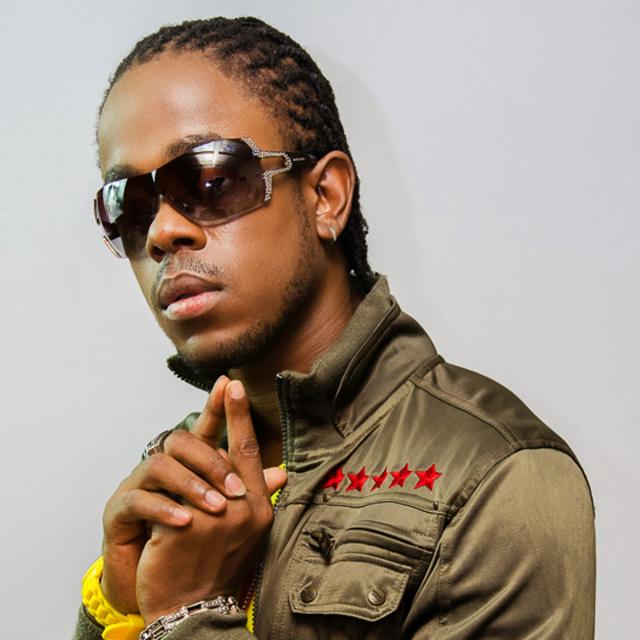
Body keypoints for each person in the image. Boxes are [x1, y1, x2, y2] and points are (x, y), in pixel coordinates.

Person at [74, 16, 596, 640]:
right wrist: (119, 604)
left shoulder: (499, 477)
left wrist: (187, 613)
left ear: (325, 196)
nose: (162, 233)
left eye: (210, 179)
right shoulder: (182, 474)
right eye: (130, 206)